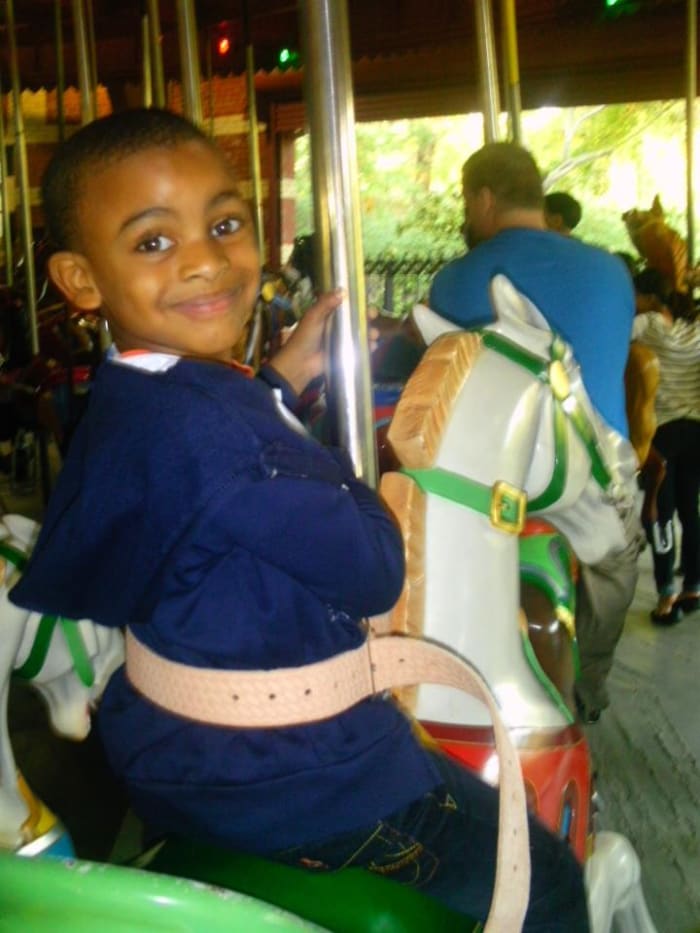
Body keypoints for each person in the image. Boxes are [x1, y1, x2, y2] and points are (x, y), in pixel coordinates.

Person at [8, 109, 589, 930]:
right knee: (547, 877)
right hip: (308, 784)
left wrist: (279, 379)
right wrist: (354, 472)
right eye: (153, 242)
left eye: (224, 223)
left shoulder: (128, 403)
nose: (206, 260)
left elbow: (201, 463)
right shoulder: (227, 442)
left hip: (167, 754)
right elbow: (375, 568)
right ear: (79, 278)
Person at [430, 142, 644, 725]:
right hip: (594, 492)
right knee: (618, 570)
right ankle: (591, 689)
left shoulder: (453, 282)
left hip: (494, 484)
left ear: (483, 198)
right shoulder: (609, 272)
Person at [631, 268, 700, 625]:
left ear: (648, 298)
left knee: (658, 513)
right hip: (696, 431)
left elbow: (615, 341)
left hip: (662, 435)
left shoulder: (646, 324)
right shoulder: (694, 328)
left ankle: (666, 595)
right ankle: (693, 585)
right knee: (691, 511)